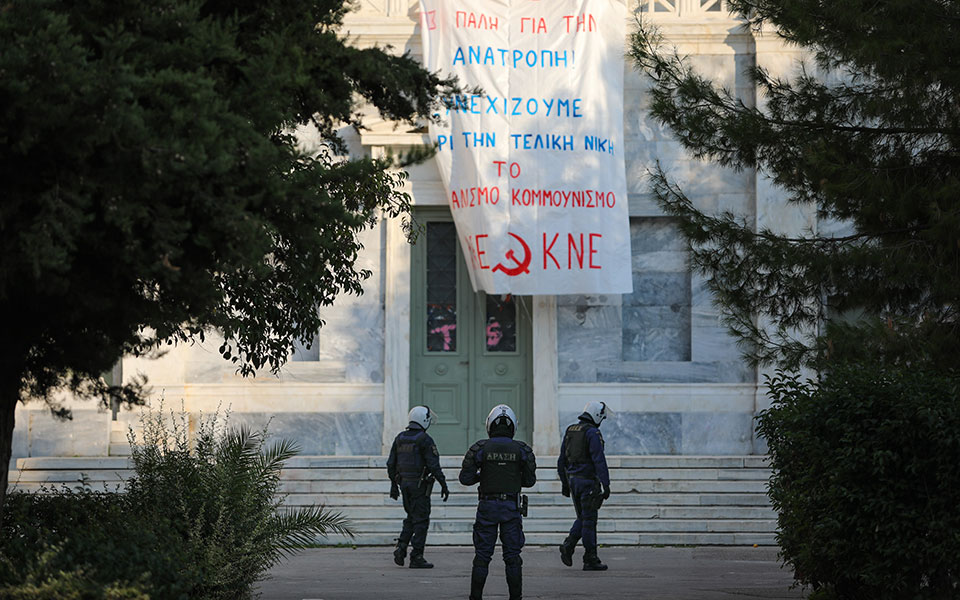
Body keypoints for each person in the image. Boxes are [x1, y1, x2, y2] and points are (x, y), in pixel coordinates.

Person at [459, 405, 537, 600]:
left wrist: (483, 475)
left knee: (483, 556)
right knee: (512, 557)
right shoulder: (522, 449)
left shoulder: (480, 448)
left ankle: (475, 597)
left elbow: (465, 478)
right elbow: (529, 481)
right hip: (511, 508)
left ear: (490, 425)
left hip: (487, 507)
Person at [386, 405, 450, 568]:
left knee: (411, 518)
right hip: (420, 487)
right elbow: (433, 465)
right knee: (421, 521)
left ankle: (401, 547)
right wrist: (443, 483)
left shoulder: (400, 438)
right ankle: (416, 556)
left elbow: (390, 463)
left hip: (405, 485)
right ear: (424, 420)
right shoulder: (424, 439)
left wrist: (394, 485)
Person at [557, 400, 611, 571]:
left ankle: (569, 545)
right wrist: (606, 484)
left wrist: (565, 484)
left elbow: (561, 461)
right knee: (589, 520)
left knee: (583, 517)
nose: (601, 422)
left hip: (574, 481)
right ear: (596, 416)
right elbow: (598, 460)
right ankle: (590, 558)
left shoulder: (570, 431)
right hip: (588, 481)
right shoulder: (592, 433)